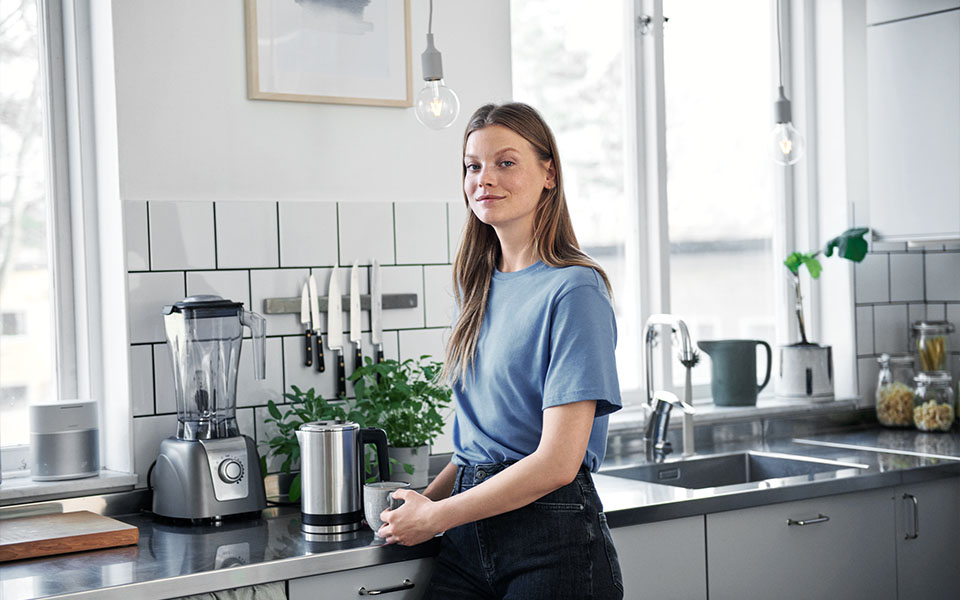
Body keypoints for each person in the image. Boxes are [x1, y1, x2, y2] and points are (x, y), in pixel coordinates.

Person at [377, 102, 624, 599]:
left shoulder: (574, 291)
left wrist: (436, 516)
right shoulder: (476, 289)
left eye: (506, 163)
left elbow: (556, 463)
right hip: (467, 537)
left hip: (551, 541)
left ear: (548, 173)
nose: (484, 178)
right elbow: (478, 447)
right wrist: (422, 503)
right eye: (473, 166)